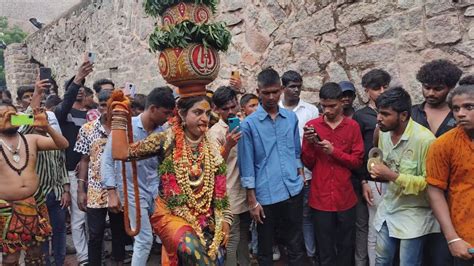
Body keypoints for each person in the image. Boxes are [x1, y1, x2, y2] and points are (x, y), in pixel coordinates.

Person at [108, 89, 232, 265]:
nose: (204, 118)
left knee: (216, 257)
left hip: (207, 215)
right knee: (195, 253)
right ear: (181, 114)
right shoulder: (166, 140)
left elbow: (220, 187)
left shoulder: (210, 144)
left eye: (206, 113)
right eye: (197, 112)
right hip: (171, 214)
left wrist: (225, 219)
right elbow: (121, 152)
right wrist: (120, 114)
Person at [238, 68, 305, 266]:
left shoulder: (290, 118)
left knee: (295, 245)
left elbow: (295, 150)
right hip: (265, 194)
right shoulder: (248, 125)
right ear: (258, 91)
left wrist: (300, 174)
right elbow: (246, 163)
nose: (271, 97)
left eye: (275, 92)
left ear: (281, 89)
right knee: (265, 250)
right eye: (266, 93)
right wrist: (252, 200)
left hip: (293, 189)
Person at [102, 87, 176, 265]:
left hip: (156, 191)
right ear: (152, 109)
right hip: (132, 191)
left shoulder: (163, 131)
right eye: (165, 113)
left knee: (169, 234)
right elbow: (107, 161)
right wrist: (111, 192)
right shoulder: (126, 127)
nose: (168, 118)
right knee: (144, 240)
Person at [370, 87, 440, 266]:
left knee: (408, 263)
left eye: (385, 114)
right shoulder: (383, 133)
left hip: (414, 213)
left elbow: (429, 183)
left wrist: (391, 175)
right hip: (389, 208)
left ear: (403, 115)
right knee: (381, 261)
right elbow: (384, 165)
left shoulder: (425, 140)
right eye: (379, 113)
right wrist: (377, 170)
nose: (379, 118)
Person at [302, 82, 364, 266]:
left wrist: (333, 151)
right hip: (320, 197)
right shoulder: (312, 125)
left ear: (341, 103)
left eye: (332, 106)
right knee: (325, 248)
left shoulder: (352, 126)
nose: (327, 110)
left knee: (346, 246)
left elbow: (357, 162)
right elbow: (308, 162)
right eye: (324, 106)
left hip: (345, 197)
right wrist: (310, 144)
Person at [0, 102, 69, 265]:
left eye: (12, 114)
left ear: (19, 118)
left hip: (34, 204)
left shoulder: (31, 139)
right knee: (10, 257)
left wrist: (47, 128)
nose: (8, 118)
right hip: (5, 208)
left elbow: (63, 144)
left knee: (36, 254)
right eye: (2, 115)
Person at [413, 59, 463, 266]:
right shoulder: (411, 114)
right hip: (414, 195)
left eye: (438, 89)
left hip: (449, 194)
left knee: (443, 254)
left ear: (450, 88)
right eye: (427, 88)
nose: (431, 93)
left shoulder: (459, 116)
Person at [20, 77, 71, 266]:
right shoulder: (24, 138)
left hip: (56, 193)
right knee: (40, 233)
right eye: (36, 114)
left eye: (43, 113)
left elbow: (62, 161)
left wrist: (66, 190)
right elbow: (25, 120)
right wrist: (37, 94)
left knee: (59, 231)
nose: (39, 116)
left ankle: (59, 262)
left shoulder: (53, 137)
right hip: (37, 196)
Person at [75, 90, 127, 266]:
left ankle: (119, 261)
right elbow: (84, 160)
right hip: (96, 188)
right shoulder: (87, 129)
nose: (107, 110)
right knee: (95, 233)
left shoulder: (124, 129)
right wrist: (80, 189)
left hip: (120, 187)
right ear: (99, 106)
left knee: (119, 231)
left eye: (110, 106)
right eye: (103, 105)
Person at [426, 84, 474, 266]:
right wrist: (452, 239)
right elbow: (434, 190)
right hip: (465, 240)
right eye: (455, 108)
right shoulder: (443, 145)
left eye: (469, 107)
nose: (460, 113)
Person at [54, 56, 93, 265]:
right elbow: (65, 102)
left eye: (81, 87)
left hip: (89, 172)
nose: (79, 89)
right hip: (69, 172)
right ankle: (83, 257)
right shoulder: (59, 115)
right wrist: (77, 77)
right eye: (75, 87)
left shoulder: (91, 114)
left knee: (90, 217)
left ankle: (92, 251)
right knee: (76, 220)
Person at [279, 70, 319, 264]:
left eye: (299, 86)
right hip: (282, 175)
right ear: (283, 88)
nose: (296, 90)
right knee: (286, 218)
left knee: (306, 216)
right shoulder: (274, 109)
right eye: (292, 86)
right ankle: (290, 255)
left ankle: (310, 255)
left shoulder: (311, 110)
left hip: (308, 174)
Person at [209, 86, 250, 266]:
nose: (231, 111)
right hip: (228, 193)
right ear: (216, 110)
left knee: (243, 237)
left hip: (245, 191)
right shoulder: (215, 133)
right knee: (231, 239)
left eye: (233, 106)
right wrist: (228, 144)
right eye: (225, 108)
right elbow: (214, 166)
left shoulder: (244, 125)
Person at [355, 69, 391, 266]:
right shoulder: (361, 116)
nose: (382, 91)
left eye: (385, 87)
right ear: (367, 90)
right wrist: (363, 181)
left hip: (395, 176)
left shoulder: (396, 111)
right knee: (374, 225)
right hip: (373, 178)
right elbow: (359, 151)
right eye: (376, 88)